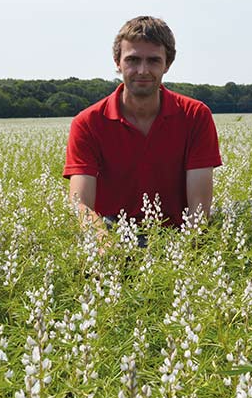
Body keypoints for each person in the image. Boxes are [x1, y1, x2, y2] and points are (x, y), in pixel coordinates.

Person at [63, 16, 222, 236]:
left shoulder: (195, 116)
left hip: (174, 239)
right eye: (133, 60)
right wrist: (103, 246)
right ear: (117, 62)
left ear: (167, 64)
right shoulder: (87, 123)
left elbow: (199, 205)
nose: (142, 70)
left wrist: (187, 255)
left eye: (154, 60)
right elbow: (81, 204)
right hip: (112, 237)